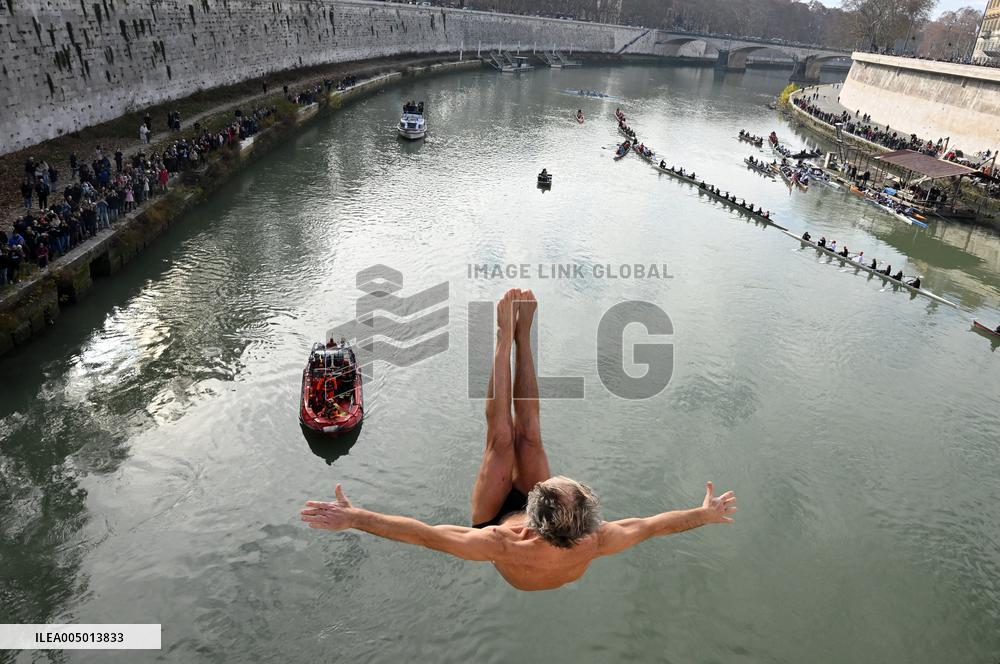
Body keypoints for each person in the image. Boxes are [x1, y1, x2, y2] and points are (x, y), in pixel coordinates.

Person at [300, 290, 737, 592]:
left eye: (550, 485)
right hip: (549, 528)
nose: (553, 478)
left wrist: (355, 518)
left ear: (532, 510)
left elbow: (425, 536)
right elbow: (654, 526)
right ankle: (524, 335)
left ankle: (501, 336)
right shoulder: (595, 539)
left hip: (495, 519)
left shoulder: (499, 542)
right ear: (582, 518)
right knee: (529, 434)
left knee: (501, 440)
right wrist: (703, 514)